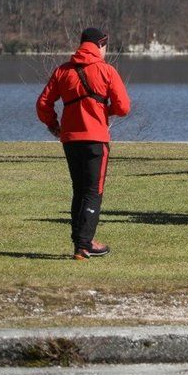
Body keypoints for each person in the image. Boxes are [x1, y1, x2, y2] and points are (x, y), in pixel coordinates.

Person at [36, 27, 131, 260]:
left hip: (70, 139)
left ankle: (79, 242)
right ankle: (85, 245)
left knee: (78, 191)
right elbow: (124, 107)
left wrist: (53, 125)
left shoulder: (63, 71)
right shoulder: (107, 71)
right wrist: (104, 111)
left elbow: (43, 104)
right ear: (100, 44)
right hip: (96, 138)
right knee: (93, 192)